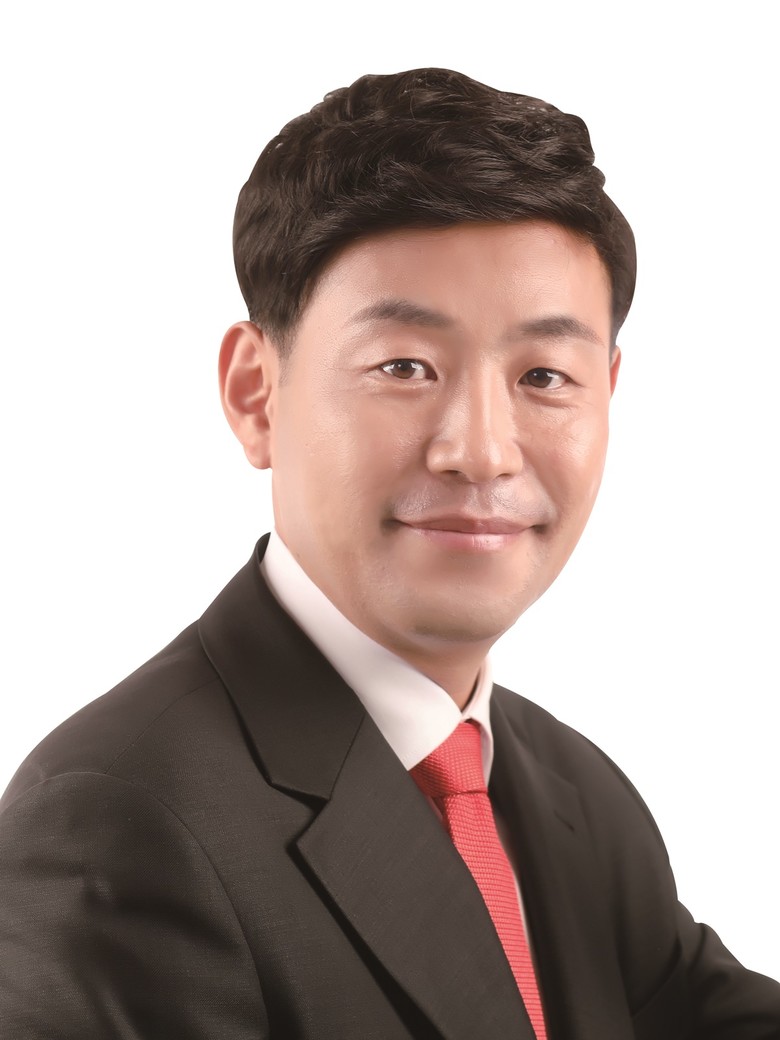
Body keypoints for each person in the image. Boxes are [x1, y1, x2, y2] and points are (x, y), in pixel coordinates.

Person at [1, 67, 778, 1040]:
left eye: (545, 375)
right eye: (405, 366)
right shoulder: (118, 826)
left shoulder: (576, 795)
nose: (482, 451)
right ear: (256, 393)